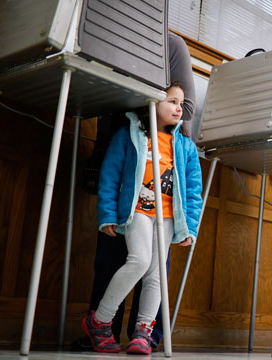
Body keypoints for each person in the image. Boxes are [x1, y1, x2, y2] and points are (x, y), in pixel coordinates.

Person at [74, 32, 196, 351]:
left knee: (155, 275)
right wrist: (107, 216)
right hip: (137, 211)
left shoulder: (183, 147)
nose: (180, 108)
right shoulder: (127, 136)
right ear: (152, 101)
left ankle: (143, 332)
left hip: (167, 216)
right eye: (173, 102)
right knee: (137, 261)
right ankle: (101, 320)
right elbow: (111, 178)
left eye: (180, 104)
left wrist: (190, 226)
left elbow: (192, 191)